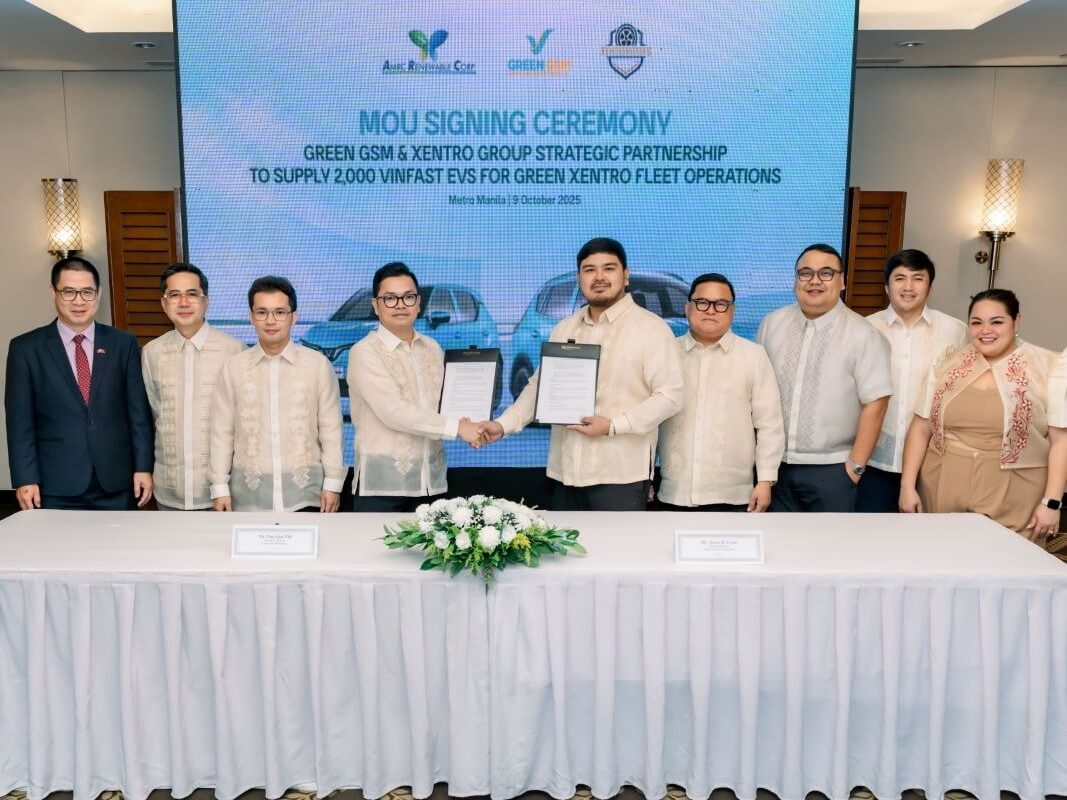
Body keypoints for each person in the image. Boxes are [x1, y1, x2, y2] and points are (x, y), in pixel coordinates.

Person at [479, 237, 684, 511]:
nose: (599, 277)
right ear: (579, 278)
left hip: (620, 475)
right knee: (565, 554)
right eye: (589, 270)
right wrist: (503, 425)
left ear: (626, 276)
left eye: (609, 268)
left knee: (617, 553)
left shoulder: (652, 330)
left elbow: (670, 396)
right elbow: (539, 387)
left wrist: (613, 426)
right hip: (566, 471)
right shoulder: (563, 329)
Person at [899, 289, 1067, 540]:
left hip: (1015, 491)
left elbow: (1061, 441)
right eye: (976, 322)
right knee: (942, 562)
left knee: (1009, 569)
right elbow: (921, 427)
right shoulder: (947, 362)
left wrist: (1052, 502)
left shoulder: (1049, 366)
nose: (985, 330)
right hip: (943, 483)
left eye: (996, 322)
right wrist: (907, 486)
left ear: (1016, 321)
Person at [5, 256, 154, 510]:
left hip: (116, 481)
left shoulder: (123, 344)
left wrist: (143, 467)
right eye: (69, 292)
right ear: (53, 293)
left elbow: (138, 413)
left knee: (119, 549)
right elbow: (20, 423)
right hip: (55, 484)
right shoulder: (26, 348)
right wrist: (25, 478)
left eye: (87, 292)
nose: (78, 301)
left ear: (99, 294)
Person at [757, 243, 892, 512]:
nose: (814, 281)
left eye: (826, 273)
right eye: (805, 273)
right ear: (795, 280)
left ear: (842, 281)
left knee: (829, 551)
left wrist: (854, 468)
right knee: (776, 548)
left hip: (833, 471)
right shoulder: (772, 324)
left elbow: (876, 403)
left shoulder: (863, 334)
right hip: (773, 468)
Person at [346, 262, 484, 511]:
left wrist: (475, 424)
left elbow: (445, 404)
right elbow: (394, 412)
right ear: (376, 306)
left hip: (432, 483)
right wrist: (459, 428)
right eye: (390, 298)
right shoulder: (364, 352)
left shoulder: (432, 347)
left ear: (418, 304)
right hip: (383, 488)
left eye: (408, 297)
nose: (400, 304)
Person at [209, 276, 344, 512]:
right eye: (262, 312)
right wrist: (219, 486)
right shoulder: (233, 368)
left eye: (280, 312)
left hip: (306, 495)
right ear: (251, 316)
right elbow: (222, 432)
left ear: (294, 316)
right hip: (248, 498)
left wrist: (333, 483)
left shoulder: (318, 365)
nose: (271, 320)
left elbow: (331, 429)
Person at [657, 273, 784, 511]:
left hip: (735, 495)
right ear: (687, 307)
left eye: (721, 304)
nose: (711, 310)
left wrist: (765, 481)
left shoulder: (753, 356)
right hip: (674, 492)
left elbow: (769, 425)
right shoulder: (666, 354)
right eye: (702, 302)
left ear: (732, 311)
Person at [859, 249, 967, 512]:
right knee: (869, 540)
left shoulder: (955, 331)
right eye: (900, 278)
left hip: (931, 461)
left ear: (929, 286)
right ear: (887, 286)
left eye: (918, 278)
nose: (908, 287)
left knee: (926, 545)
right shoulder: (864, 329)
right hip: (873, 459)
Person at [142, 264, 244, 510]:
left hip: (223, 495)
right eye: (174, 295)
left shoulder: (234, 350)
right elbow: (155, 413)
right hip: (168, 493)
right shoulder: (151, 353)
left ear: (205, 301)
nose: (184, 302)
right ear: (164, 304)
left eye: (192, 294)